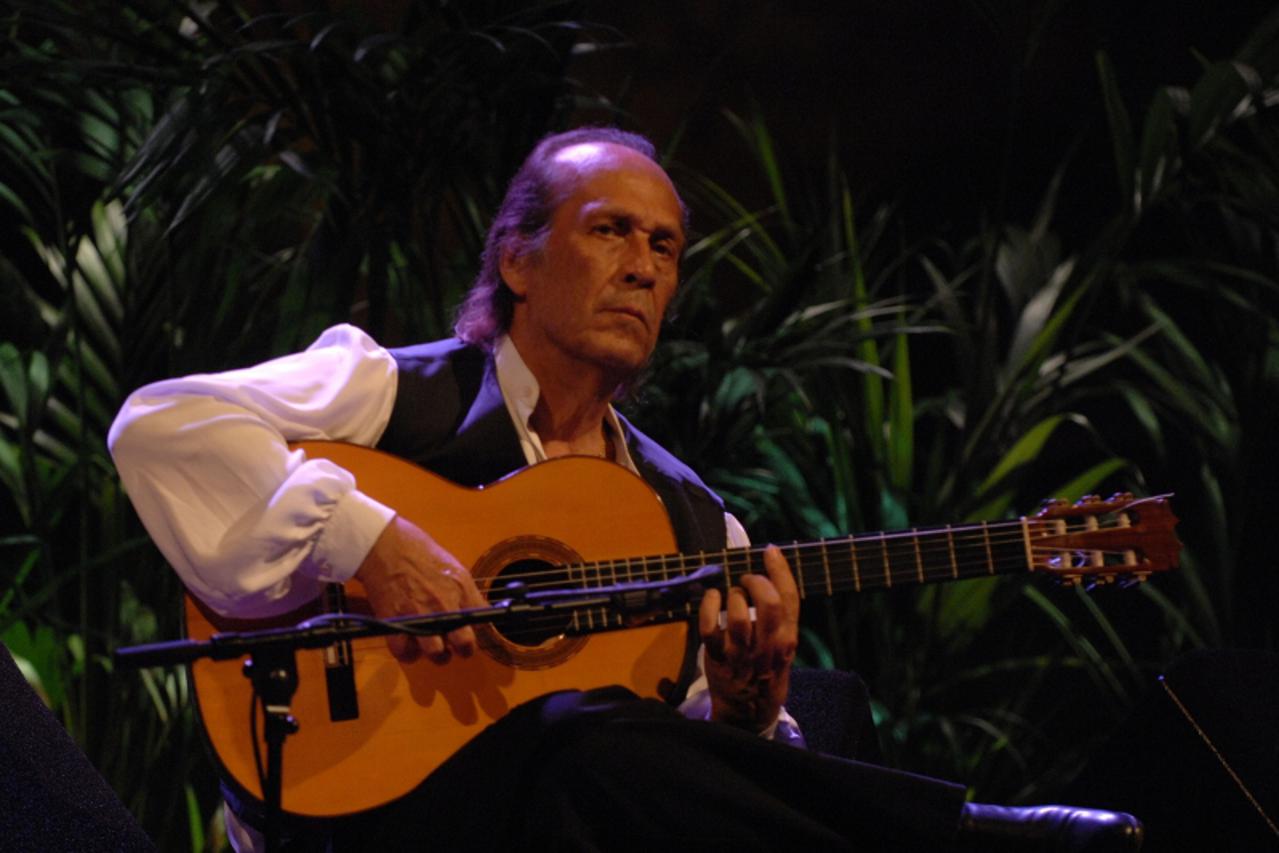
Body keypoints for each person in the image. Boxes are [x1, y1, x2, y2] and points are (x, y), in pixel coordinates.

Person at [110, 127, 1140, 852]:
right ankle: (961, 836)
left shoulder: (691, 519)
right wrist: (368, 542)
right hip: (363, 801)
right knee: (572, 738)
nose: (644, 267)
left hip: (561, 819)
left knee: (625, 742)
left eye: (665, 246)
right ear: (516, 257)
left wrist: (742, 711)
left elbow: (679, 780)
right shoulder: (395, 391)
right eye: (610, 231)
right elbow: (162, 424)